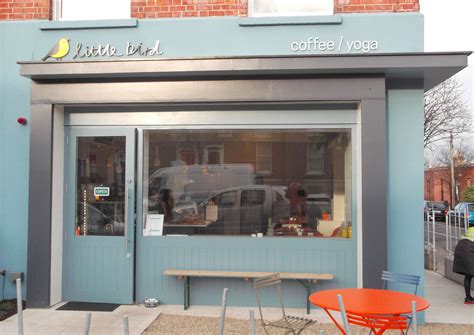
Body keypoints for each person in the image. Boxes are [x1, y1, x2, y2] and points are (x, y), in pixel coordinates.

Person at [453, 227, 474, 304]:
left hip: (460, 249)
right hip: (469, 252)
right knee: (470, 274)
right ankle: (468, 298)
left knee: (468, 275)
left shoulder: (471, 229)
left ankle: (468, 298)